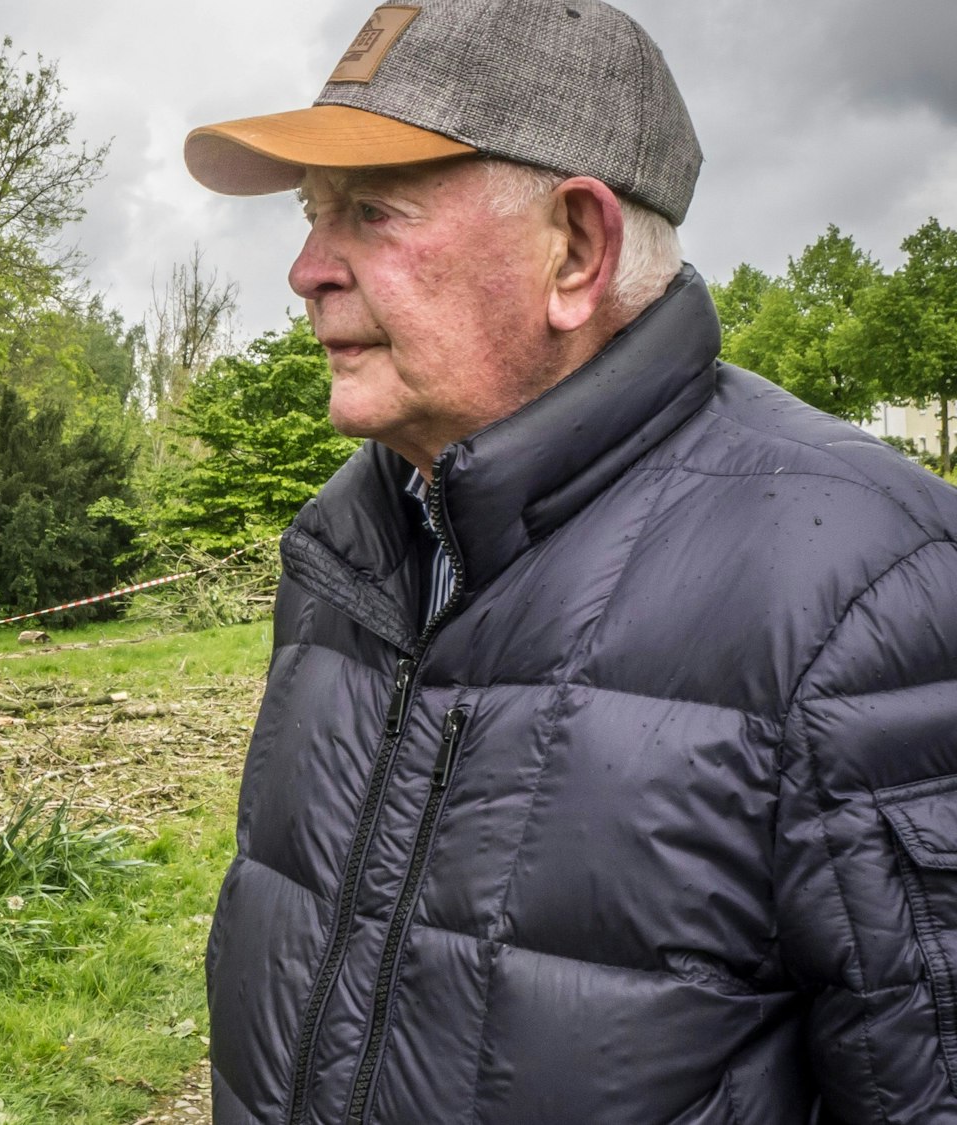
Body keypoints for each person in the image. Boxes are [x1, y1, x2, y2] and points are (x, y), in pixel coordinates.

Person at [182, 1, 957, 1122]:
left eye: (370, 212)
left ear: (577, 249)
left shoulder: (868, 587)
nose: (306, 270)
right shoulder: (344, 546)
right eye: (311, 215)